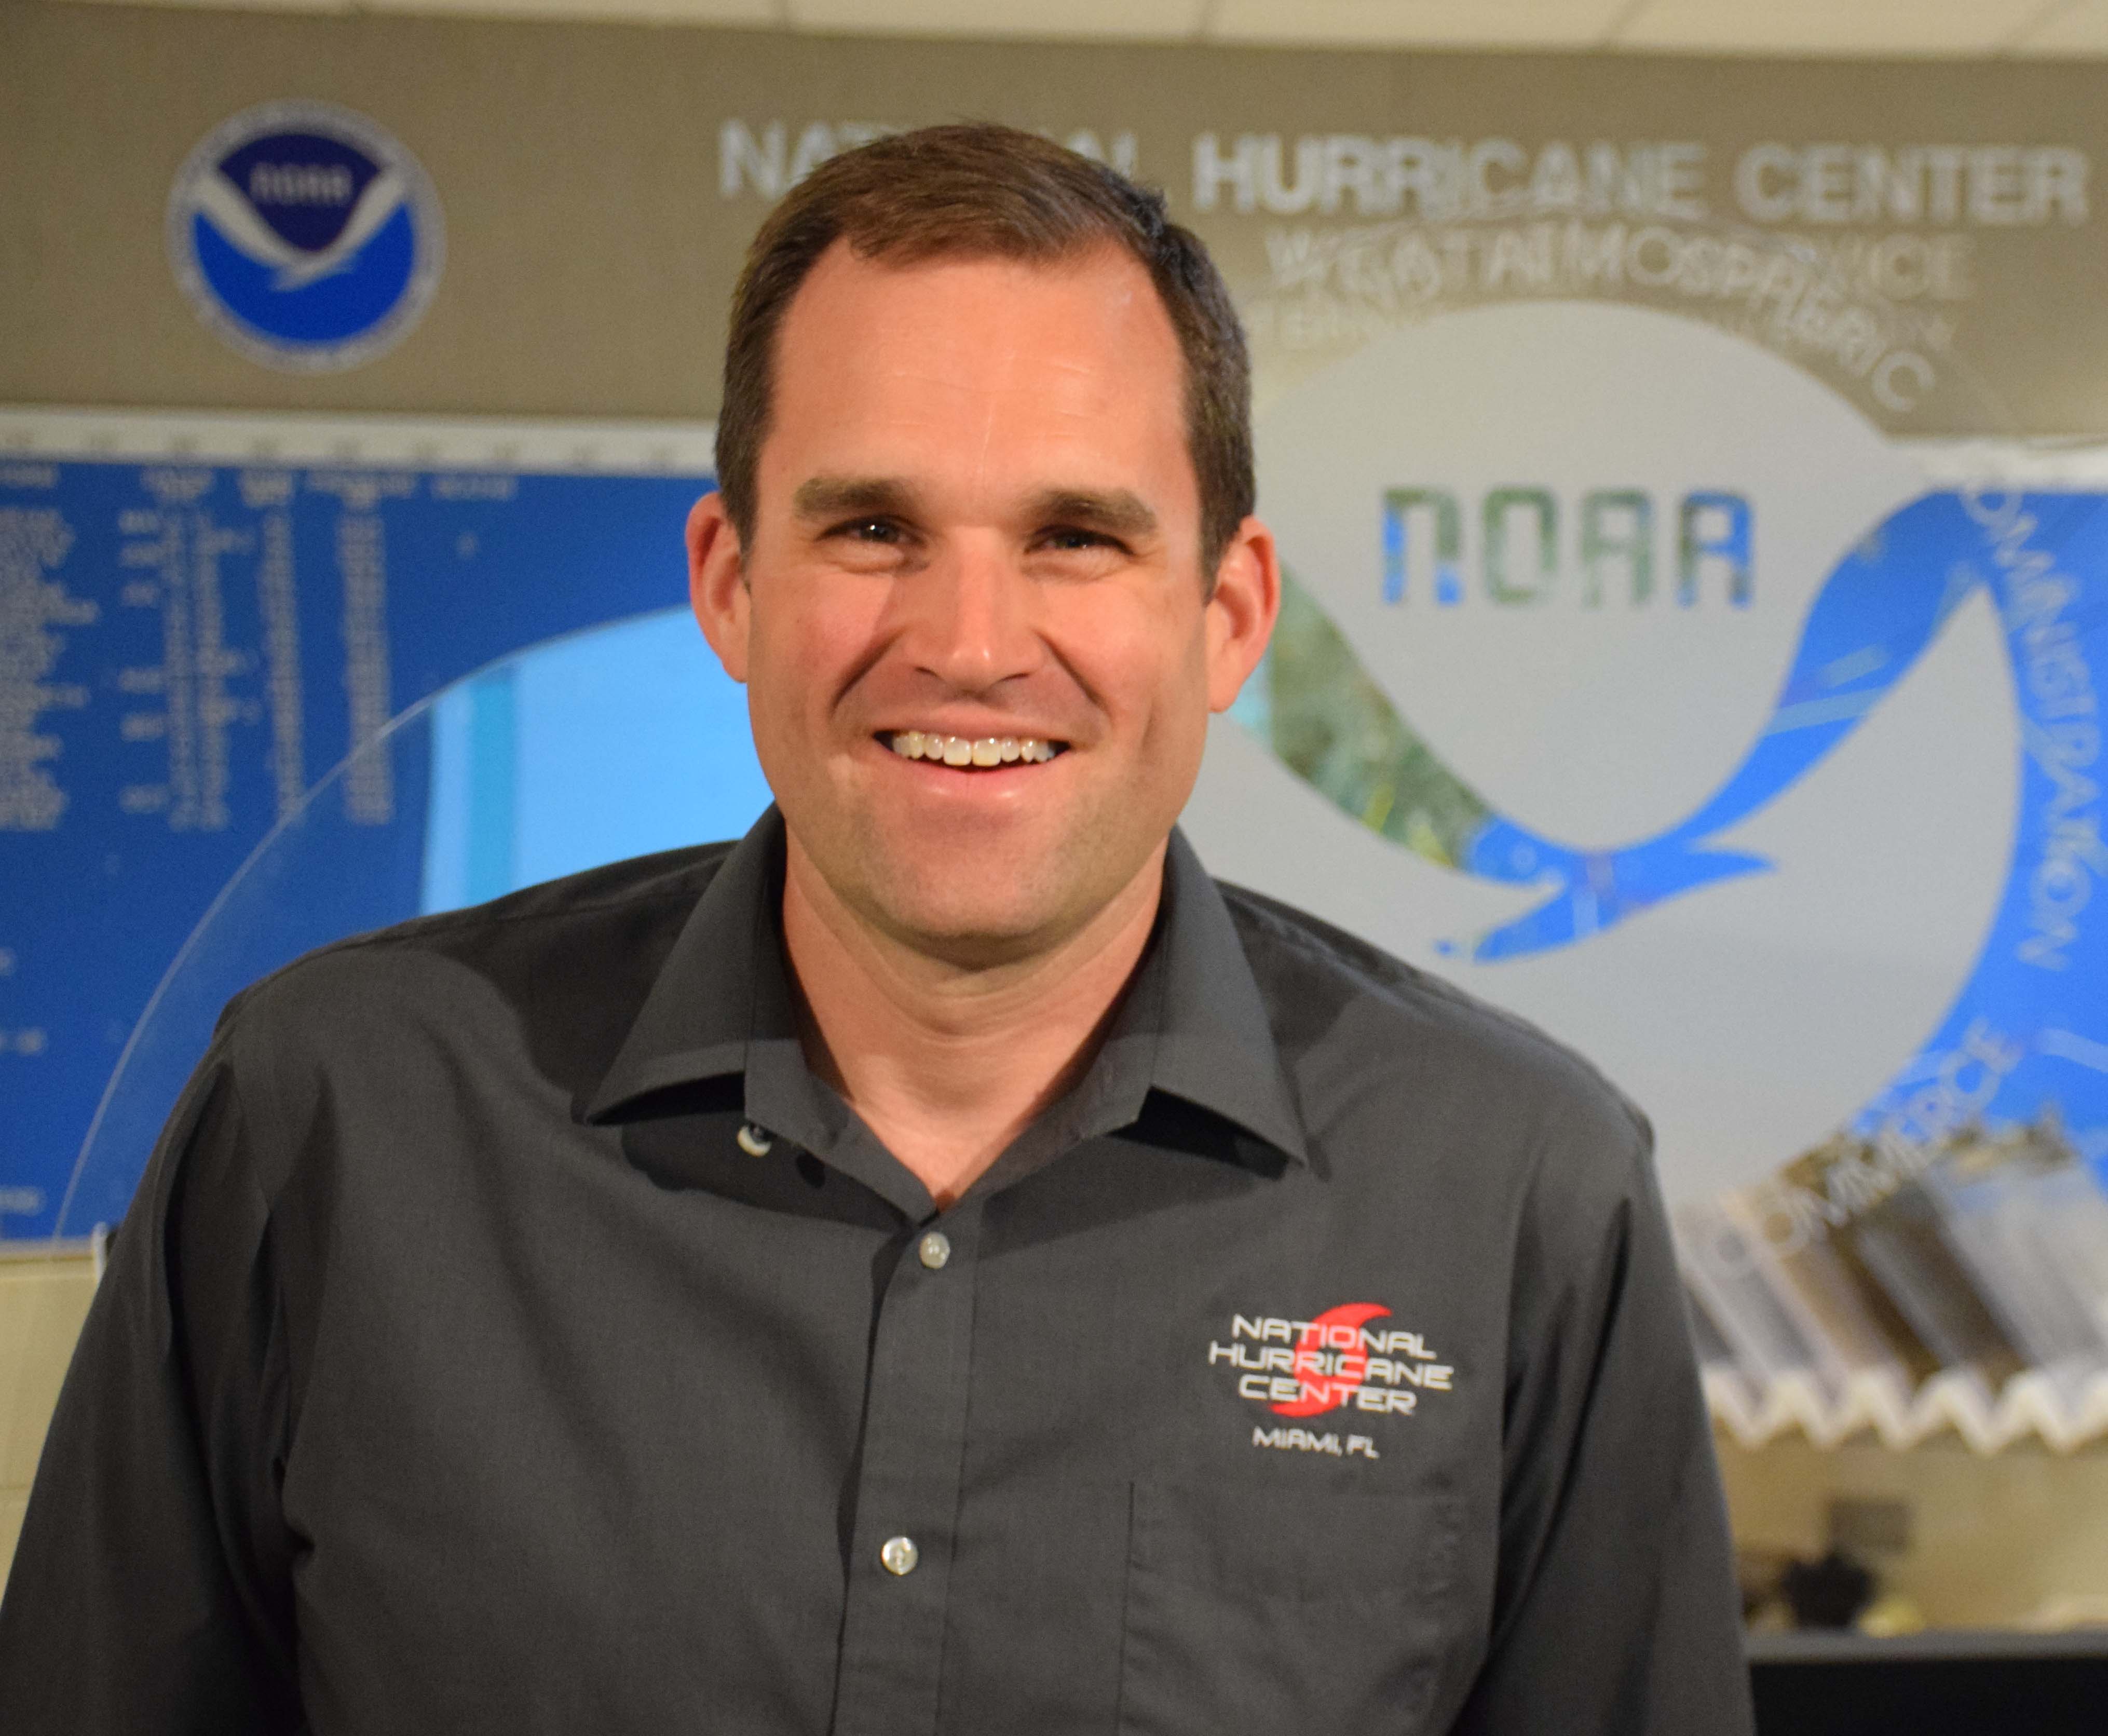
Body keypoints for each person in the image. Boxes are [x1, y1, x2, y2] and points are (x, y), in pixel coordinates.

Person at [0, 124, 1753, 1733]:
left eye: (1074, 536)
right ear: (732, 586)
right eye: (873, 527)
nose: (972, 638)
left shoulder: (1512, 1190)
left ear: (1227, 618)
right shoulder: (337, 1119)